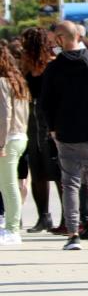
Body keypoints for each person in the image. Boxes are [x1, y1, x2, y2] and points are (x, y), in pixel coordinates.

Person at [40, 21, 88, 251]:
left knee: (70, 184)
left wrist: (52, 129)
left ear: (62, 38)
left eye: (54, 40)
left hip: (65, 133)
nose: (53, 45)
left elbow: (45, 104)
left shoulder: (54, 68)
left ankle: (73, 233)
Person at [19, 28, 62, 234]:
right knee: (36, 171)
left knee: (57, 170)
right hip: (31, 121)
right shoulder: (25, 67)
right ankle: (43, 216)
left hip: (50, 121)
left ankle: (66, 218)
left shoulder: (53, 64)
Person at [0, 47, 29, 245]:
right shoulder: (18, 81)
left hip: (9, 139)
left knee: (8, 186)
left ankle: (12, 229)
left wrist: (1, 142)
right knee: (9, 185)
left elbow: (5, 114)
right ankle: (11, 226)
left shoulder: (2, 82)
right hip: (20, 136)